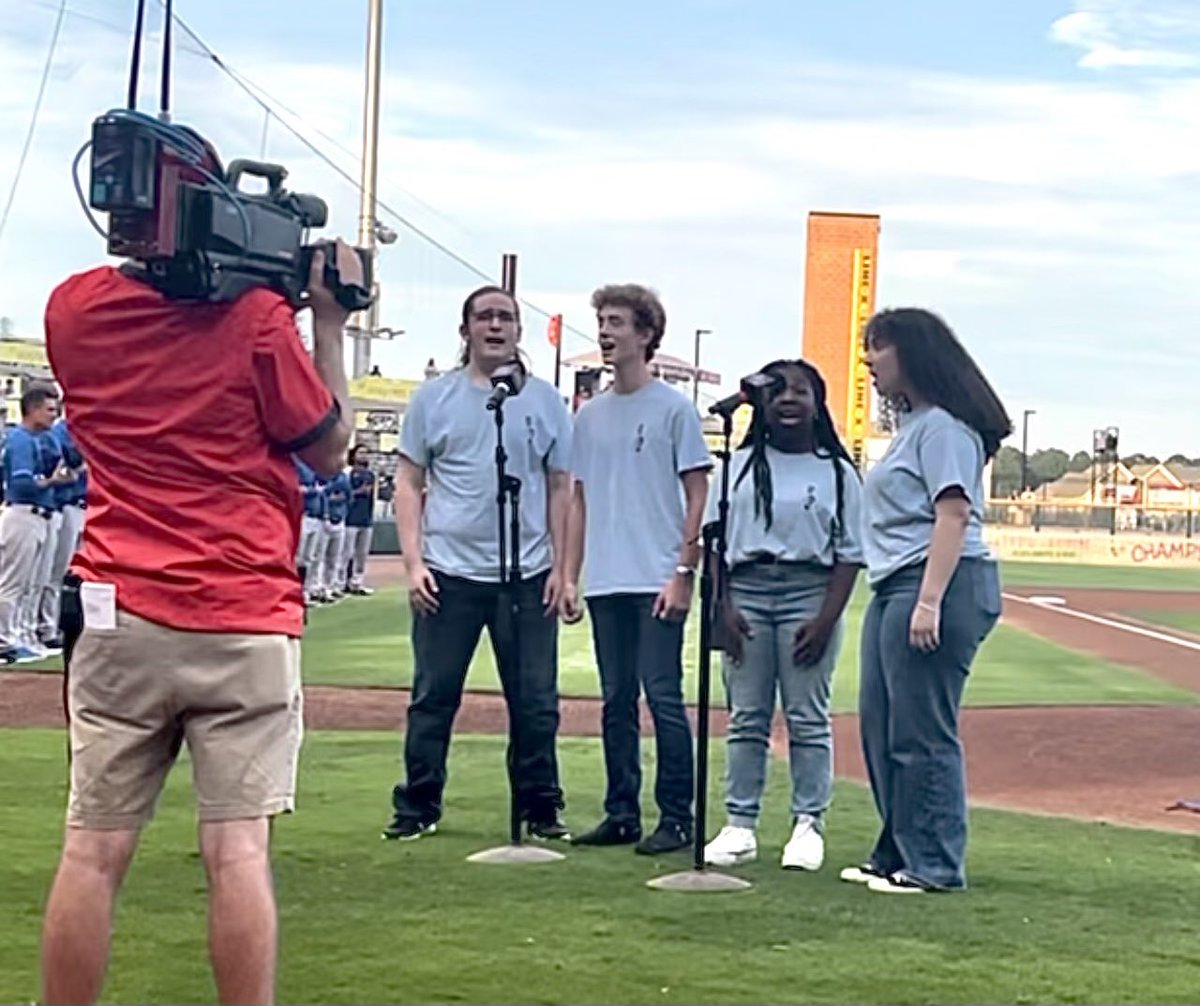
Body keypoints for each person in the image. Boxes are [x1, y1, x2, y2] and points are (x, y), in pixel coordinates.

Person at [39, 173, 360, 1006]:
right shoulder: (254, 320)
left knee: (91, 851)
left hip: (118, 605)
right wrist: (325, 319)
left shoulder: (72, 307)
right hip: (241, 612)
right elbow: (328, 447)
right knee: (238, 853)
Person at [382, 285, 573, 843]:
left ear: (519, 331)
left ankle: (541, 807)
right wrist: (413, 563)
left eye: (507, 318)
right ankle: (418, 804)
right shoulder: (432, 399)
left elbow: (562, 485)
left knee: (536, 700)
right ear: (465, 330)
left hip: (526, 573)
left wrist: (563, 570)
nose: (496, 326)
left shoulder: (544, 401)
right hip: (449, 573)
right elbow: (409, 480)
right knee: (434, 696)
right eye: (485, 317)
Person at [841, 307, 1010, 895]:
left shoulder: (944, 429)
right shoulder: (914, 428)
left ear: (912, 354)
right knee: (882, 723)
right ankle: (897, 850)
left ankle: (935, 864)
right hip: (897, 582)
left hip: (937, 580)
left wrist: (930, 601)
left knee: (921, 729)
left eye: (877, 349)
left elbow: (953, 513)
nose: (868, 361)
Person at [563, 284, 711, 855]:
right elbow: (577, 498)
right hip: (606, 578)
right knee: (615, 699)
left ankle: (677, 817)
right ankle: (620, 811)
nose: (605, 331)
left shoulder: (674, 409)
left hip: (656, 577)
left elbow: (697, 492)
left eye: (617, 322)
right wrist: (570, 574)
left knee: (663, 697)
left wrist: (684, 569)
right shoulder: (590, 416)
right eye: (602, 321)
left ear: (645, 334)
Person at [702, 359, 863, 871]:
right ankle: (739, 825)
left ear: (819, 405)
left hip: (808, 593)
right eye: (778, 392)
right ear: (761, 404)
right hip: (745, 590)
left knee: (806, 717)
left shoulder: (837, 472)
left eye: (801, 392)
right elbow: (712, 544)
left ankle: (807, 824)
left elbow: (849, 553)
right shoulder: (735, 467)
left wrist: (825, 618)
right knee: (746, 717)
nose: (789, 400)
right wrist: (720, 607)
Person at [0, 386, 74, 662]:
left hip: (40, 514)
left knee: (33, 582)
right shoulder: (20, 439)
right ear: (32, 409)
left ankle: (23, 634)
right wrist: (54, 480)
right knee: (13, 582)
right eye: (49, 409)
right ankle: (5, 638)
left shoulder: (37, 438)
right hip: (22, 512)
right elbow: (23, 483)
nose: (54, 416)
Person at [341, 444, 377, 596]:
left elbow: (373, 496)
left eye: (366, 453)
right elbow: (344, 495)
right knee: (346, 553)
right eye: (361, 453)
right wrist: (358, 492)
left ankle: (357, 582)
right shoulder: (348, 473)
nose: (364, 456)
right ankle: (341, 583)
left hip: (365, 518)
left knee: (361, 554)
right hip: (350, 518)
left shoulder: (370, 474)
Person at [315, 467, 350, 603]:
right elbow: (322, 494)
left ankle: (329, 587)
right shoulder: (321, 473)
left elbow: (348, 496)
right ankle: (317, 588)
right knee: (319, 557)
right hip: (324, 519)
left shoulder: (343, 477)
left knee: (334, 558)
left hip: (339, 519)